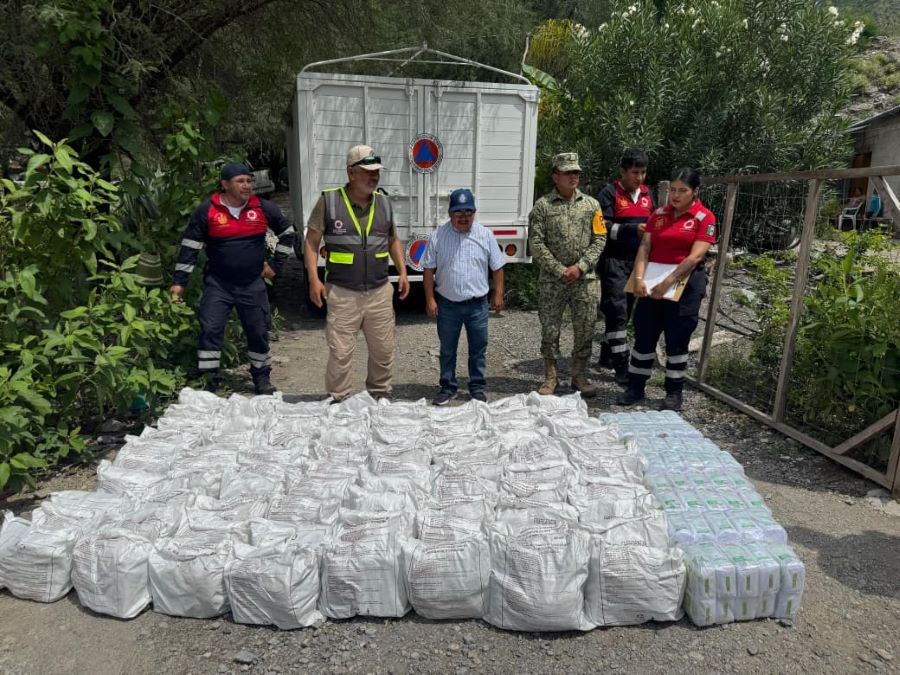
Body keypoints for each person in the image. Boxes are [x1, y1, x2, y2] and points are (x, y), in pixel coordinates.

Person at [169, 162, 295, 395]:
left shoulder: (262, 207)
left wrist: (276, 265)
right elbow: (189, 248)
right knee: (210, 330)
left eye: (249, 181)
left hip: (252, 284)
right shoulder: (207, 210)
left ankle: (261, 378)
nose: (247, 185)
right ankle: (209, 382)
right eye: (240, 181)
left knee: (258, 331)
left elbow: (288, 233)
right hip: (218, 284)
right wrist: (179, 283)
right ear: (225, 184)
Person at [304, 145, 410, 402]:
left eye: (377, 172)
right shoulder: (329, 201)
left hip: (379, 291)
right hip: (342, 292)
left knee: (383, 350)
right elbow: (311, 242)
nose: (374, 176)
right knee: (340, 353)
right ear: (351, 173)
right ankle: (338, 398)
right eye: (368, 171)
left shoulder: (384, 203)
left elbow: (393, 240)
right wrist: (313, 279)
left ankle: (379, 394)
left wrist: (403, 272)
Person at [618, 167, 716, 411]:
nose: (675, 195)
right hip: (651, 284)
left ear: (695, 191)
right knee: (644, 336)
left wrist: (668, 282)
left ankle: (673, 392)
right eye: (673, 189)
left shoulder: (704, 218)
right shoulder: (659, 214)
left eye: (682, 190)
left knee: (677, 340)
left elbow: (695, 257)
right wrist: (638, 278)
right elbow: (645, 247)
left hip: (684, 287)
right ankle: (635, 387)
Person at [528, 152, 606, 397]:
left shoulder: (591, 205)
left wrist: (580, 267)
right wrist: (560, 270)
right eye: (568, 172)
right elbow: (536, 243)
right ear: (556, 176)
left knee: (585, 328)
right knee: (550, 330)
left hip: (584, 280)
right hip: (552, 281)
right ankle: (551, 376)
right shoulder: (542, 207)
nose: (573, 176)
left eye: (576, 172)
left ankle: (579, 376)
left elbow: (599, 239)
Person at [422, 188, 505, 405]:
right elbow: (428, 270)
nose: (463, 216)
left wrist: (498, 293)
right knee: (447, 350)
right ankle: (447, 387)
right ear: (450, 213)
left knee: (478, 349)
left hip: (478, 306)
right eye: (458, 212)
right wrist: (430, 299)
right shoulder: (438, 236)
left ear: (474, 212)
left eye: (468, 211)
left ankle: (477, 388)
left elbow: (497, 267)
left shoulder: (485, 235)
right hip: (448, 305)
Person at [596, 149, 655, 385]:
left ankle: (606, 354)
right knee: (617, 310)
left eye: (643, 173)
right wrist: (631, 230)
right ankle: (621, 365)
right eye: (634, 173)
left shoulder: (648, 195)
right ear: (622, 171)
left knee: (626, 311)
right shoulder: (609, 193)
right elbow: (601, 227)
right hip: (614, 261)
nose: (639, 178)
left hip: (638, 262)